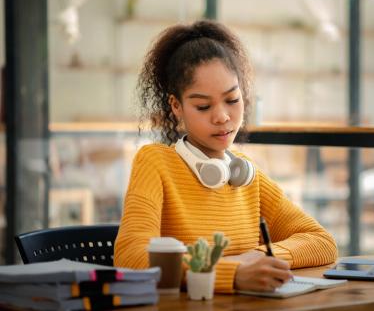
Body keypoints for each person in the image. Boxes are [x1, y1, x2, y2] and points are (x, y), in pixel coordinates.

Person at [114, 20, 338, 293]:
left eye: (232, 100)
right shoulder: (155, 162)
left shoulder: (246, 175)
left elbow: (322, 242)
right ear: (177, 106)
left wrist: (258, 257)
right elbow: (131, 257)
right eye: (203, 106)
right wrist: (232, 273)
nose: (222, 116)